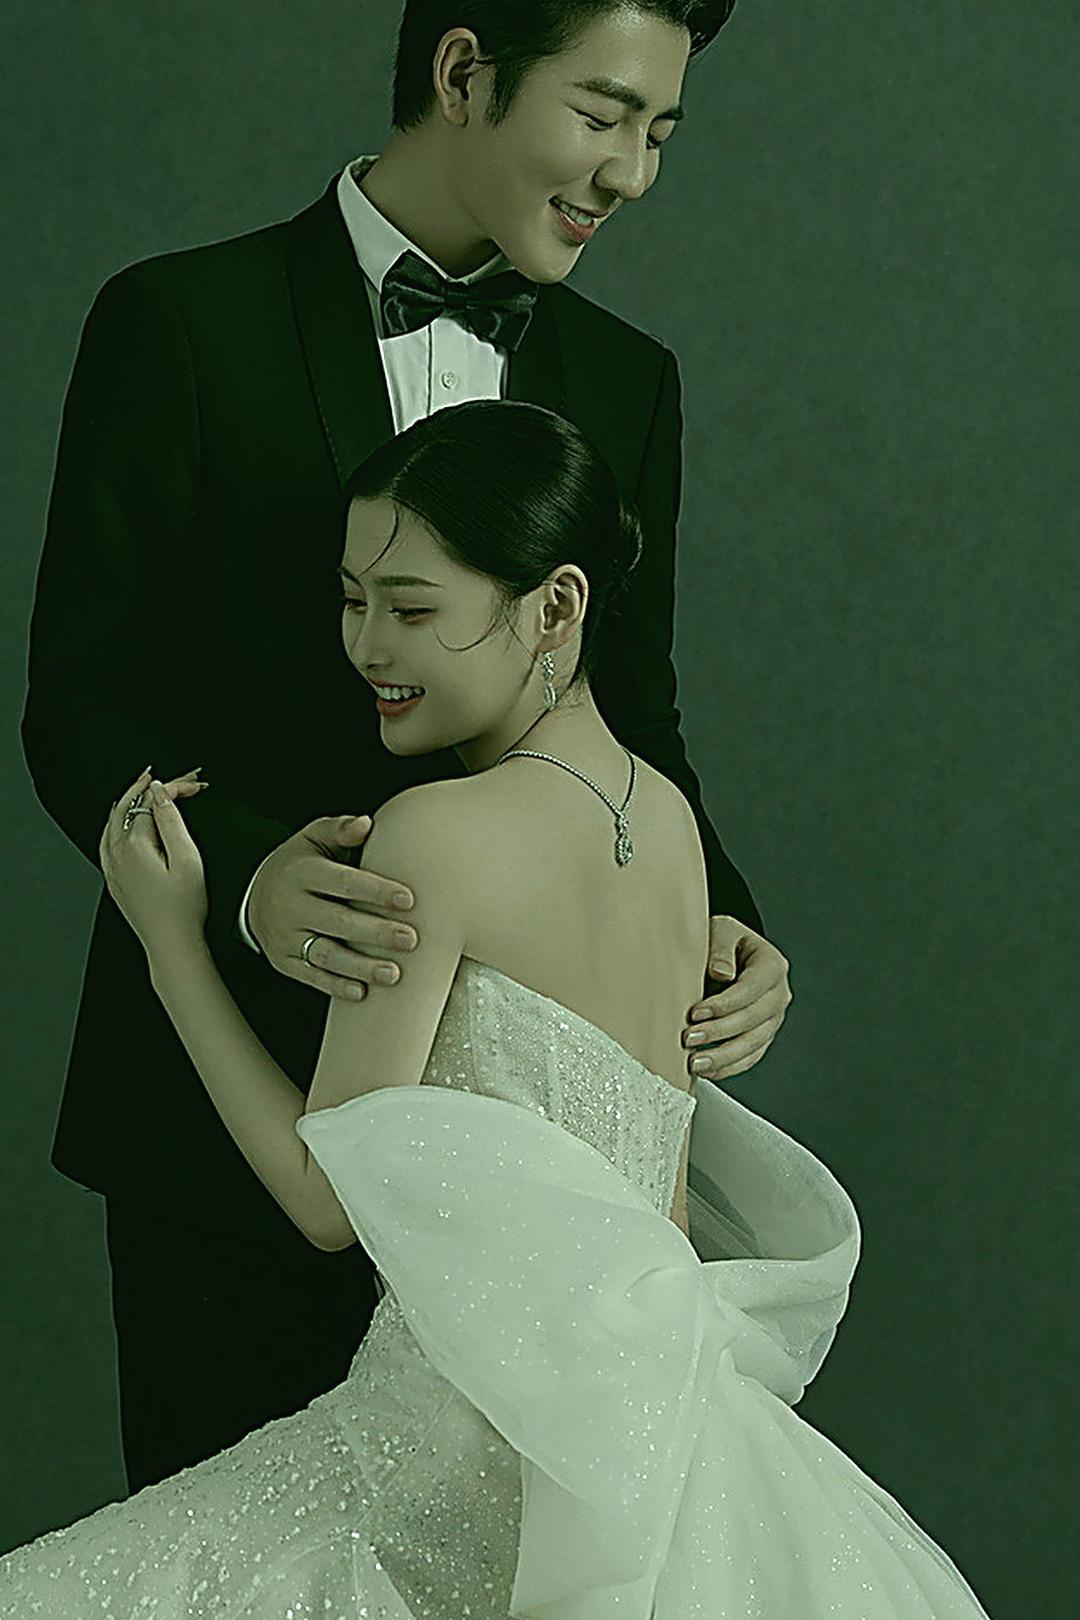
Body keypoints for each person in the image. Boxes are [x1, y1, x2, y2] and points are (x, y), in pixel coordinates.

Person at [1, 398, 993, 1617]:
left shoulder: (434, 836)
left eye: (413, 609)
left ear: (556, 607)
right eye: (351, 600)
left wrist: (172, 946)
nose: (367, 646)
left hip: (449, 1457)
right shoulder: (671, 828)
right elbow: (664, 1210)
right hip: (645, 1446)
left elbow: (325, 1199)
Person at [17, 0, 799, 1504]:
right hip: (229, 1137)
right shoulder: (180, 322)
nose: (633, 171)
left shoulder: (627, 378)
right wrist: (247, 884)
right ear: (461, 72)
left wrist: (727, 921)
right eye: (602, 114)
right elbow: (83, 704)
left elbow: (639, 718)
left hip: (532, 1199)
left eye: (660, 131)